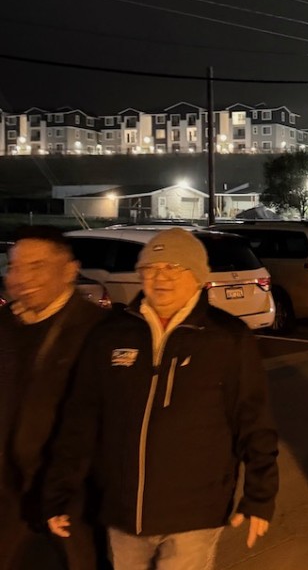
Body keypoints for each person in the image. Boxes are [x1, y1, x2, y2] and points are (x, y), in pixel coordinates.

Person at [42, 228, 280, 570]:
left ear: (197, 277)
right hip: (124, 513)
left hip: (196, 514)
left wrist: (260, 496)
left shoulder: (227, 339)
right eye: (151, 269)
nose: (161, 278)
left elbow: (254, 422)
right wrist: (59, 491)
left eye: (174, 268)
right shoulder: (112, 334)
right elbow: (81, 420)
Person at [0, 226, 107, 570]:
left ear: (69, 270)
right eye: (15, 266)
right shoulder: (4, 324)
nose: (21, 277)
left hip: (69, 498)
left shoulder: (100, 331)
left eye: (36, 266)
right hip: (6, 495)